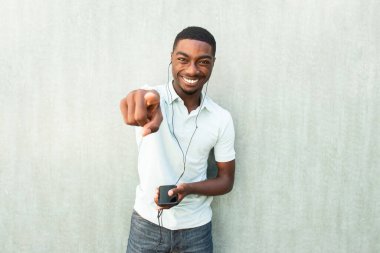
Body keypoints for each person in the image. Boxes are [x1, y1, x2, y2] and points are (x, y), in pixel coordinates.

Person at [120, 26, 236, 253]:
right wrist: (141, 99)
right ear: (171, 59)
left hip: (196, 229)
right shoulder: (152, 99)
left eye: (203, 61)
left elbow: (226, 180)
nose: (192, 70)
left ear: (213, 63)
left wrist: (187, 189)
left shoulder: (221, 118)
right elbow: (141, 97)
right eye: (183, 59)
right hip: (147, 225)